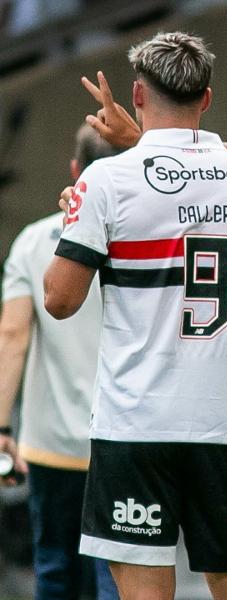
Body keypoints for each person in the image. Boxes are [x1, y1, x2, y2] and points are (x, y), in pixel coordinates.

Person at [44, 32, 227, 600]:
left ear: (138, 94)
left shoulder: (106, 180)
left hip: (137, 426)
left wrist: (77, 214)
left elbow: (59, 299)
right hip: (223, 422)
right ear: (208, 99)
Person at [0, 123, 119, 600]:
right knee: (118, 573)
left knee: (54, 568)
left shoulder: (32, 241)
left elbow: (12, 335)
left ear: (76, 171)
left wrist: (2, 428)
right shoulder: (144, 239)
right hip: (123, 439)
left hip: (49, 446)